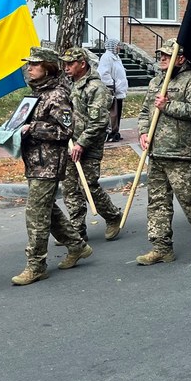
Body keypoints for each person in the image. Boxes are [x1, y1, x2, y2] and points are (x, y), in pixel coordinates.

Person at [136, 41, 191, 264]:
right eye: (160, 56)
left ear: (181, 58)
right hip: (156, 152)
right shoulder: (156, 81)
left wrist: (169, 106)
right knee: (157, 201)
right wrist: (144, 133)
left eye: (167, 55)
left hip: (179, 151)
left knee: (189, 199)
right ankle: (161, 246)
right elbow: (146, 111)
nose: (162, 59)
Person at [13, 47, 91, 285]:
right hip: (34, 160)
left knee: (35, 213)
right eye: (29, 64)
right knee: (46, 208)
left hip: (48, 162)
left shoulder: (56, 95)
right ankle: (77, 245)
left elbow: (67, 130)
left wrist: (33, 128)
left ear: (47, 67)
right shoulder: (36, 93)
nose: (29, 68)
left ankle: (36, 265)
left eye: (34, 65)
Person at [60, 46, 124, 242]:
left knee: (88, 186)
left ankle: (113, 216)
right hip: (71, 144)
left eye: (70, 63)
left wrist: (81, 143)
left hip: (88, 146)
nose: (66, 67)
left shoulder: (96, 87)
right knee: (70, 188)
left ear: (82, 64)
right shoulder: (70, 84)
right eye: (65, 63)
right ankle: (77, 230)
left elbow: (98, 122)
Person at [98, 38, 128, 141]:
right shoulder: (106, 57)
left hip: (119, 90)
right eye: (117, 45)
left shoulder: (116, 57)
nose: (119, 47)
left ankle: (116, 131)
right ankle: (110, 133)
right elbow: (103, 73)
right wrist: (112, 85)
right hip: (112, 90)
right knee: (112, 113)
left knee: (118, 112)